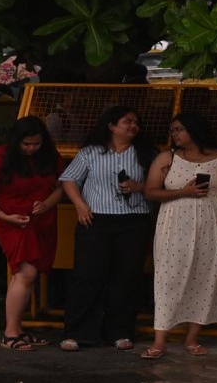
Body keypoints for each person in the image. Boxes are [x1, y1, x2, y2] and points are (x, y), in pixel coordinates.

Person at [140, 113, 217, 359]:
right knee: (169, 278)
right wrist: (182, 192)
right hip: (175, 224)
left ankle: (192, 336)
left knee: (205, 276)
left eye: (180, 129)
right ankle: (160, 339)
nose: (175, 134)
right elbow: (150, 191)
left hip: (213, 224)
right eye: (173, 130)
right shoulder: (168, 158)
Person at [57, 106, 158, 352]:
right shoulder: (91, 152)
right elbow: (69, 179)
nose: (133, 126)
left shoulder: (146, 154)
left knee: (126, 277)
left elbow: (159, 184)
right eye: (127, 121)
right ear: (111, 126)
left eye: (136, 122)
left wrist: (138, 186)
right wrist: (80, 204)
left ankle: (120, 331)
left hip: (134, 220)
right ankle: (79, 333)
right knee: (87, 276)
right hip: (95, 220)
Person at [0, 116, 64, 351]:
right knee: (26, 272)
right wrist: (4, 216)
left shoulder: (49, 156)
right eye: (26, 144)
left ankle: (17, 329)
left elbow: (64, 185)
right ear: (16, 141)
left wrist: (48, 203)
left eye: (36, 144)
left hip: (41, 219)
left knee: (25, 275)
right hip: (12, 221)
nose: (32, 148)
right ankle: (10, 332)